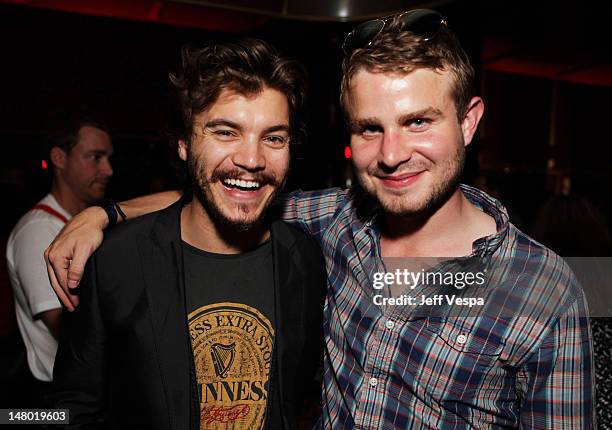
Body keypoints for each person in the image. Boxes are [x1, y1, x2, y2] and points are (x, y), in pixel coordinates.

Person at [46, 9, 594, 428]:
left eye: (419, 121)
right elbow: (234, 190)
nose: (393, 153)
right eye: (370, 127)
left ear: (469, 121)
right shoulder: (339, 226)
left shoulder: (544, 293)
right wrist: (102, 212)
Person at [48, 39, 326, 429]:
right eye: (226, 132)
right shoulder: (116, 261)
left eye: (273, 137)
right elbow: (68, 410)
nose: (251, 159)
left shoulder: (306, 258)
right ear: (183, 143)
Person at [6, 119, 113, 401]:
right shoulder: (39, 230)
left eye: (108, 159)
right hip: (54, 400)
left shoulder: (82, 226)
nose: (108, 170)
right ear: (59, 158)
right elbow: (67, 332)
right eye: (95, 157)